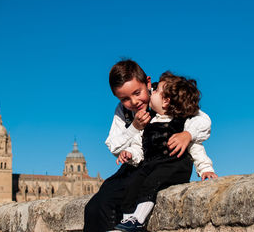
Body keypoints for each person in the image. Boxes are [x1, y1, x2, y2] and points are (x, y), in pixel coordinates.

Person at [83, 60, 214, 232]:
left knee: (134, 192)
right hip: (136, 163)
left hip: (164, 164)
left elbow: (201, 119)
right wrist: (134, 128)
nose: (134, 102)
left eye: (137, 93)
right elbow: (114, 146)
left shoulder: (165, 94)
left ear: (147, 82)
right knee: (97, 204)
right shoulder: (123, 111)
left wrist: (187, 134)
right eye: (125, 99)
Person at [114, 72, 217, 232]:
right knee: (132, 183)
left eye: (155, 91)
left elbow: (196, 148)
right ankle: (127, 220)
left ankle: (138, 219)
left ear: (166, 100)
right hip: (150, 165)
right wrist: (130, 154)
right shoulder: (148, 123)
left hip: (173, 166)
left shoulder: (182, 124)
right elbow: (139, 147)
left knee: (152, 181)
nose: (151, 91)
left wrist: (206, 169)